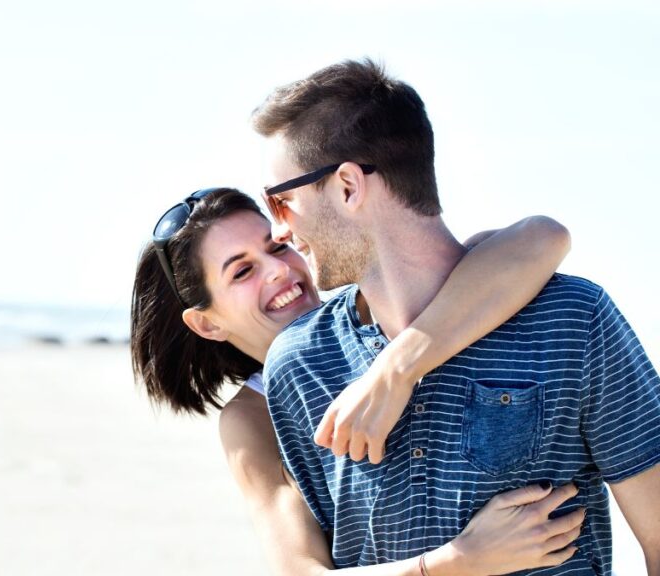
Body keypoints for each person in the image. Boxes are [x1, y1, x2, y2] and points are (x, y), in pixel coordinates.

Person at [254, 59, 660, 575]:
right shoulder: (302, 364)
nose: (279, 232)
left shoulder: (571, 320)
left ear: (349, 187)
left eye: (282, 201)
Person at [131, 187, 577, 574]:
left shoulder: (385, 306)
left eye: (277, 247)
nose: (278, 270)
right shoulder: (251, 419)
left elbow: (543, 237)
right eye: (242, 271)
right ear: (207, 324)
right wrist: (460, 562)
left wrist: (394, 370)